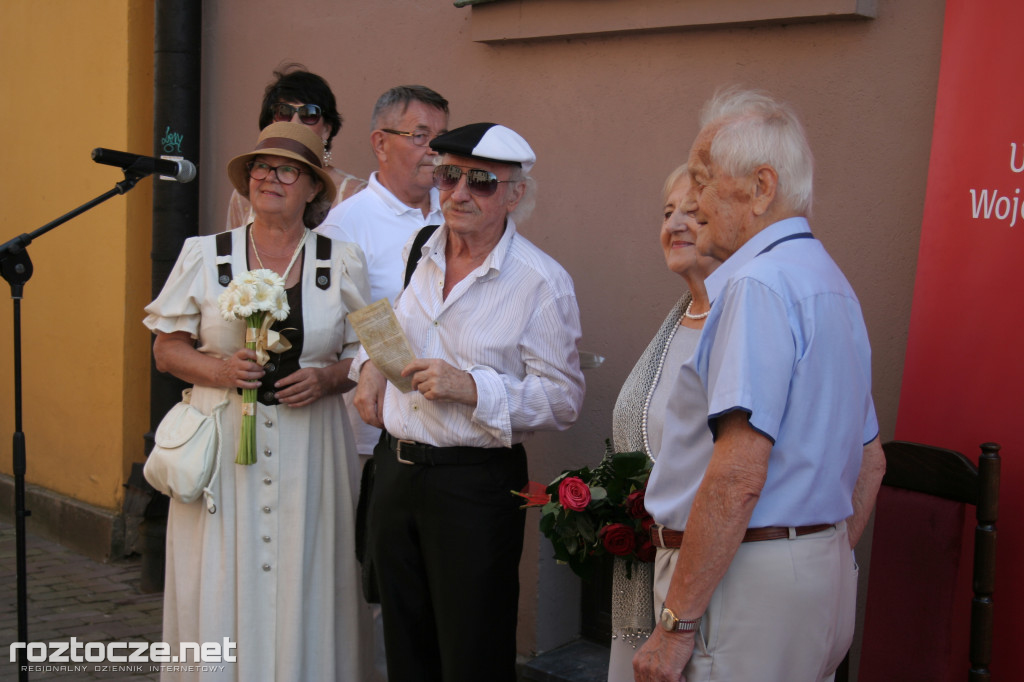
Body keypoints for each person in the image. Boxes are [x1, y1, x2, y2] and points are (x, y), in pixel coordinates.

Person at [633, 89, 886, 682]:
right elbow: (870, 460)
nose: (691, 200)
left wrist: (675, 627)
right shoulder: (828, 280)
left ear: (761, 187)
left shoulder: (756, 284)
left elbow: (739, 473)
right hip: (812, 574)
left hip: (745, 582)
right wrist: (812, 555)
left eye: (703, 179)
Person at [351, 122, 586, 682]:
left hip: (473, 486)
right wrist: (369, 371)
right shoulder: (421, 250)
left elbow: (564, 399)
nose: (457, 192)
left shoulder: (541, 283)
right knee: (406, 647)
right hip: (397, 474)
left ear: (514, 193)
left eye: (480, 181)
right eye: (449, 175)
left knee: (471, 653)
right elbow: (392, 336)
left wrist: (473, 387)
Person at [145, 121, 372, 681]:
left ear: (313, 186)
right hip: (223, 449)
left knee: (309, 571)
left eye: (287, 169)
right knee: (219, 572)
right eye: (260, 168)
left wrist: (328, 380)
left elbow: (370, 353)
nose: (270, 178)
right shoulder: (204, 254)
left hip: (311, 448)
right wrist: (220, 369)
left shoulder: (342, 259)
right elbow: (166, 349)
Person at [607, 166, 719, 681]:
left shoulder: (740, 323)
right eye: (668, 212)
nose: (675, 223)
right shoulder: (678, 318)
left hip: (711, 579)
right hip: (650, 568)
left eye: (693, 213)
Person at [317, 84, 449, 460]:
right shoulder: (345, 227)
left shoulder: (457, 213)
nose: (435, 151)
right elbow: (331, 334)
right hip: (373, 433)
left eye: (442, 138)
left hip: (449, 430)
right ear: (380, 144)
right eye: (420, 136)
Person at [226, 64, 366, 230]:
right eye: (283, 112)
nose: (295, 123)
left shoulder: (355, 194)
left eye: (309, 114)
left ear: (327, 130)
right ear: (270, 123)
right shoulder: (247, 193)